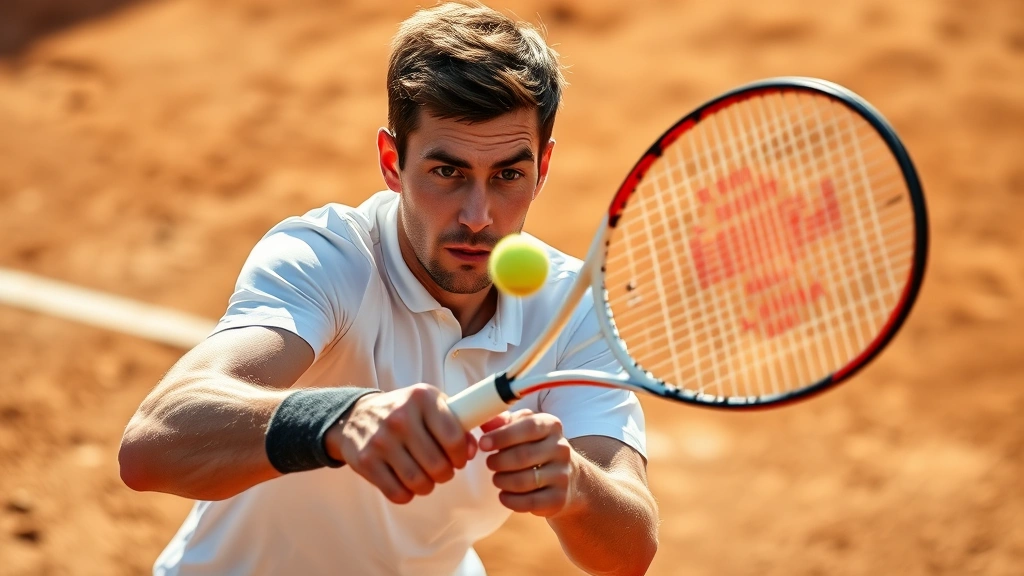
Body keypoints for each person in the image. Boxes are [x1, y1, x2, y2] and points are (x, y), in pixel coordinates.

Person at [118, 2, 659, 575]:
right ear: (391, 161)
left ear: (542, 169)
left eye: (508, 175)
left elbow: (630, 552)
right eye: (447, 172)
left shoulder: (570, 309)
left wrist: (576, 486)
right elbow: (153, 443)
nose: (478, 216)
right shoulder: (327, 259)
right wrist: (340, 420)